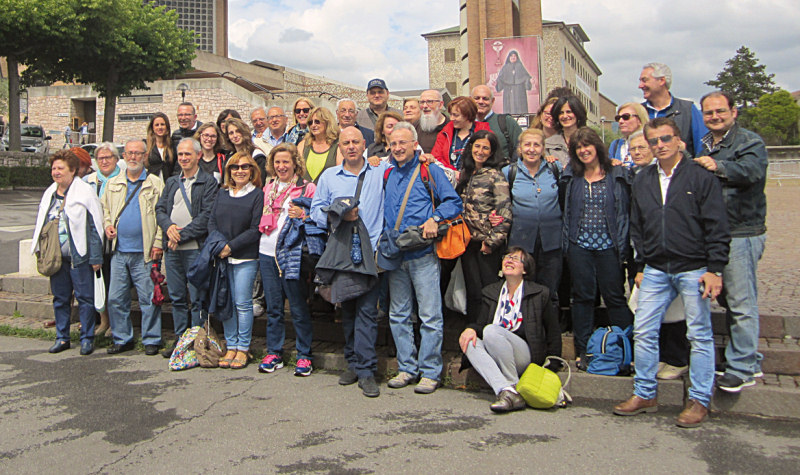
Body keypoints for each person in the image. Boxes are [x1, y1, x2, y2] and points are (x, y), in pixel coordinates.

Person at [615, 117, 730, 428]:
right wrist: (640, 266)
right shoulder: (643, 179)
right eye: (654, 141)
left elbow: (717, 225)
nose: (660, 145)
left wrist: (715, 269)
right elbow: (638, 226)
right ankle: (645, 393)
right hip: (655, 267)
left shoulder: (700, 177)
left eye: (666, 139)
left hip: (693, 267)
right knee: (644, 330)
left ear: (679, 141)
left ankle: (700, 399)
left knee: (699, 334)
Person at [695, 91, 768, 393]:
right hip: (715, 232)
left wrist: (718, 166)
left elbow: (752, 171)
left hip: (741, 232)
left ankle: (742, 369)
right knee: (727, 298)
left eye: (720, 111)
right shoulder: (705, 144)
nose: (714, 117)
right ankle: (749, 358)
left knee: (741, 302)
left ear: (733, 112)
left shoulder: (749, 141)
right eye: (709, 113)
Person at [383, 122, 463, 395]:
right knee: (399, 315)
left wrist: (435, 218)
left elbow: (453, 202)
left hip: (423, 253)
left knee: (429, 315)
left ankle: (430, 372)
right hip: (396, 253)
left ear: (415, 144)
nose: (398, 148)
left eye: (402, 143)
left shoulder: (429, 169)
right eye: (393, 143)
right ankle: (407, 368)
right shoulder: (388, 172)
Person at [310, 127, 387, 397]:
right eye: (346, 143)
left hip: (371, 253)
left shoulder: (379, 171)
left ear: (364, 144)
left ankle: (366, 370)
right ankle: (353, 363)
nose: (351, 146)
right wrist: (338, 215)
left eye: (355, 142)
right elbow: (315, 210)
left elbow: (408, 156)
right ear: (339, 147)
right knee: (349, 311)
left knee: (366, 312)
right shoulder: (329, 176)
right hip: (342, 253)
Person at [561, 127, 632, 370]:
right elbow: (567, 211)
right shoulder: (572, 176)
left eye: (587, 145)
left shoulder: (616, 173)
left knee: (615, 297)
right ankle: (584, 350)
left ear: (597, 146)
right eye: (578, 147)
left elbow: (624, 211)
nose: (583, 150)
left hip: (609, 246)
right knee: (582, 298)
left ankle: (625, 349)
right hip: (579, 245)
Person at [459, 247, 562, 412]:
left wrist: (553, 364)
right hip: (496, 350)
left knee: (491, 331)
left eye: (515, 259)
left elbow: (553, 330)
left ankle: (511, 384)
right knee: (470, 343)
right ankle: (506, 390)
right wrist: (470, 329)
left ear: (525, 269)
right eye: (507, 257)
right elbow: (480, 324)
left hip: (524, 354)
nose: (509, 260)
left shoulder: (539, 293)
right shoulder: (491, 292)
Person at [31, 149, 104, 355]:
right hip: (56, 257)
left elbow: (95, 226)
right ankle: (62, 337)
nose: (56, 172)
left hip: (79, 257)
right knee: (60, 298)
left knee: (85, 298)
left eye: (60, 168)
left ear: (72, 170)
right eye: (54, 168)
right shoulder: (50, 194)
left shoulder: (84, 192)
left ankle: (87, 338)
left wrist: (95, 256)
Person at [256, 143, 317, 376]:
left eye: (286, 162)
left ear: (295, 164)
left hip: (292, 252)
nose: (281, 166)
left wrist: (304, 214)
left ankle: (304, 355)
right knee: (274, 308)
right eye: (277, 162)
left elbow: (318, 216)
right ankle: (274, 352)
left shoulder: (306, 188)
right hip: (267, 251)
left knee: (298, 306)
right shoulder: (267, 188)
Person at [156, 138, 219, 358]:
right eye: (181, 154)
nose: (183, 158)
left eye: (188, 154)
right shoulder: (172, 182)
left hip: (195, 249)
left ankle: (197, 341)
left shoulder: (208, 182)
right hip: (173, 251)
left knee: (197, 297)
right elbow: (160, 209)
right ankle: (180, 340)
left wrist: (180, 236)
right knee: (177, 297)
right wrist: (169, 228)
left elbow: (206, 216)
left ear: (198, 155)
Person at [102, 140, 165, 355]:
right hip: (119, 251)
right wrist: (108, 225)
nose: (133, 157)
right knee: (115, 298)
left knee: (149, 299)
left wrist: (158, 243)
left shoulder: (155, 183)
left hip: (145, 253)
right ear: (123, 156)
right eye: (129, 153)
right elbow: (105, 210)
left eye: (138, 153)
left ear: (145, 156)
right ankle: (122, 338)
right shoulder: (113, 184)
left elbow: (162, 216)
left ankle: (152, 339)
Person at [208, 152, 264, 369]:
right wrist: (220, 246)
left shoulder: (257, 194)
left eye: (244, 167)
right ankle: (231, 345)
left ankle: (243, 347)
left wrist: (231, 247)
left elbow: (255, 228)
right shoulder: (222, 193)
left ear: (252, 171)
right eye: (235, 167)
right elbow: (212, 222)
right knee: (227, 303)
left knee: (242, 303)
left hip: (245, 257)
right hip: (222, 257)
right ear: (228, 171)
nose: (239, 171)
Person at [501, 128, 563, 309]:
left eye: (537, 145)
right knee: (521, 290)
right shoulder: (509, 172)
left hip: (552, 242)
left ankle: (549, 324)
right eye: (527, 144)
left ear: (543, 148)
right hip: (521, 242)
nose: (532, 149)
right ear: (520, 148)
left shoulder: (555, 169)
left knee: (550, 291)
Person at [456, 130, 512, 323]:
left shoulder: (495, 176)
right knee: (473, 291)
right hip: (467, 242)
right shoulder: (466, 173)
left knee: (489, 291)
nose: (480, 151)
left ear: (492, 152)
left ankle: (490, 328)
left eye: (485, 148)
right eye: (477, 146)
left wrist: (491, 242)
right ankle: (474, 330)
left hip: (486, 244)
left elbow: (505, 212)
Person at [84, 143, 123, 337]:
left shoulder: (123, 179)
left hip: (116, 237)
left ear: (116, 159)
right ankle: (103, 320)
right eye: (101, 158)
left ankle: (116, 323)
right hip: (95, 237)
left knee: (115, 282)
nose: (105, 161)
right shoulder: (88, 181)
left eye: (108, 158)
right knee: (99, 280)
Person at [639, 62, 708, 157]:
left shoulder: (687, 109)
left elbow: (702, 148)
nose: (640, 86)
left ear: (661, 81)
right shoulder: (638, 111)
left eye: (644, 80)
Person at [430, 96, 491, 175]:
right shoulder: (445, 133)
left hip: (477, 177)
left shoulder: (485, 133)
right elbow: (436, 157)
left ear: (468, 115)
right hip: (449, 177)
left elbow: (490, 157)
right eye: (451, 114)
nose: (451, 118)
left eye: (456, 115)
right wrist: (452, 172)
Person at [473, 84, 523, 162]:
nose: (480, 101)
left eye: (485, 99)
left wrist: (511, 167)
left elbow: (520, 146)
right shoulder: (466, 124)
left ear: (492, 101)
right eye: (477, 98)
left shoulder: (506, 121)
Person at [297, 107, 343, 183]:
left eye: (317, 122)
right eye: (310, 123)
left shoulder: (338, 145)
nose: (313, 125)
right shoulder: (303, 145)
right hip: (305, 190)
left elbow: (341, 173)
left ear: (327, 122)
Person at [545, 95, 587, 167]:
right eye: (561, 113)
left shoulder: (590, 140)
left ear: (578, 113)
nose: (565, 116)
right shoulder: (548, 144)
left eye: (569, 112)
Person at [224, 117, 267, 181]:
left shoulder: (257, 156)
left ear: (244, 132)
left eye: (238, 131)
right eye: (231, 133)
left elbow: (260, 182)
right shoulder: (229, 157)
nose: (235, 135)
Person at [495, 50, 534, 115]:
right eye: (511, 56)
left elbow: (526, 77)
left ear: (517, 57)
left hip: (520, 92)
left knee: (521, 108)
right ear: (509, 58)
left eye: (514, 56)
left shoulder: (520, 67)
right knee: (509, 108)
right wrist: (497, 83)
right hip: (508, 92)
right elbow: (500, 79)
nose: (513, 57)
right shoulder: (505, 68)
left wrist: (529, 80)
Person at [145, 112, 176, 179]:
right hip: (151, 182)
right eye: (157, 125)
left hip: (168, 182)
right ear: (152, 128)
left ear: (167, 127)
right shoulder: (146, 145)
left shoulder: (172, 145)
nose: (160, 127)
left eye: (162, 124)